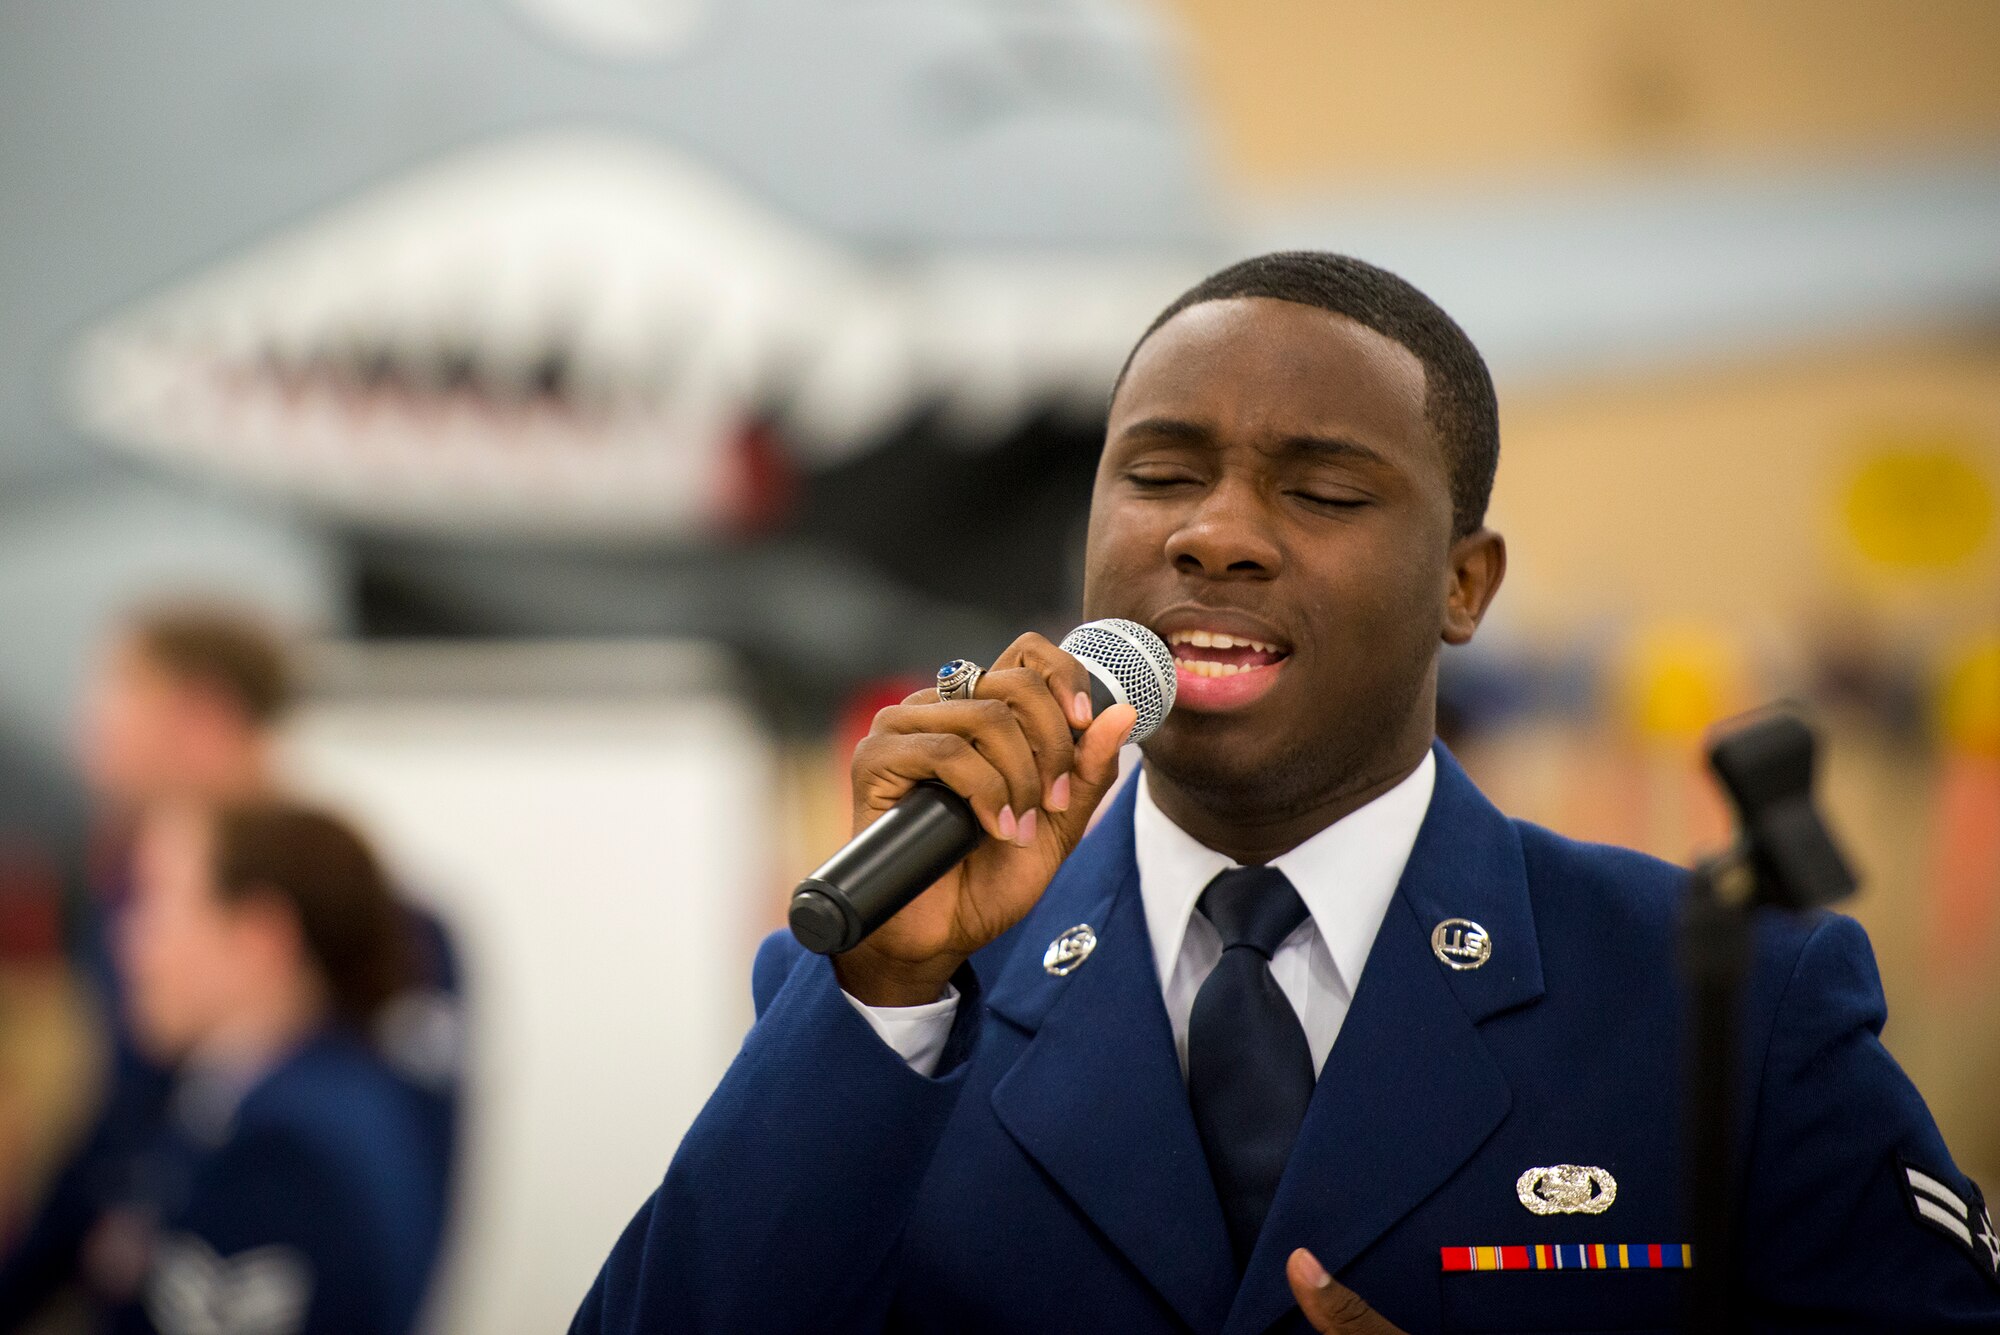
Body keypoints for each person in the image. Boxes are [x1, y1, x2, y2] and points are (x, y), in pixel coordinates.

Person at [573, 253, 2000, 1333]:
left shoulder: (1728, 1003)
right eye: (1161, 473)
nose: (1216, 533)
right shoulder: (905, 982)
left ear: (1464, 583)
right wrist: (883, 995)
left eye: (1319, 490)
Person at [0, 604, 462, 1333]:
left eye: (114, 701)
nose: (88, 738)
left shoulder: (302, 1117)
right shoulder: (240, 1080)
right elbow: (111, 1152)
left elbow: (413, 1177)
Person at [93, 798, 443, 1335]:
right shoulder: (333, 1095)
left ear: (259, 938)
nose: (127, 939)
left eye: (156, 903)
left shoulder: (284, 1151)